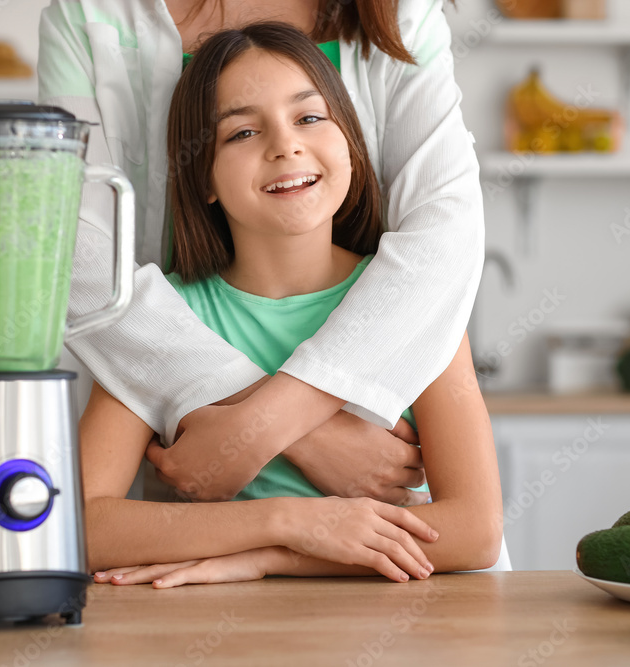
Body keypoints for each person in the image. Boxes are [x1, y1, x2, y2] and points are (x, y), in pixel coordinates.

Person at [78, 21, 503, 588]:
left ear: (349, 140)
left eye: (308, 117)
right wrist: (290, 521)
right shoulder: (159, 318)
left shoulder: (412, 303)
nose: (285, 144)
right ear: (202, 175)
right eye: (242, 133)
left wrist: (273, 556)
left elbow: (474, 531)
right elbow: (80, 527)